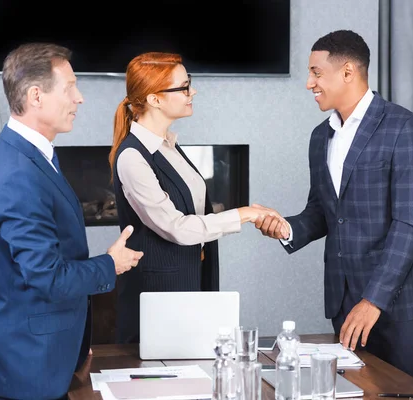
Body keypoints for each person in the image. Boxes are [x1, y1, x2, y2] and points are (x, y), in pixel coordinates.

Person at [253, 30, 413, 386]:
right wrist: (286, 227)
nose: (309, 83)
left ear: (348, 72)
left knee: (408, 394)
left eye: (316, 72)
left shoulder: (405, 128)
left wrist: (372, 301)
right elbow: (323, 211)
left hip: (401, 305)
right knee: (351, 393)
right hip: (344, 303)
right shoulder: (319, 137)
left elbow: (410, 227)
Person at [0, 42, 144, 400]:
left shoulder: (30, 155)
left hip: (45, 356)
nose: (79, 98)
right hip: (28, 367)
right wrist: (111, 265)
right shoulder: (19, 172)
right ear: (36, 95)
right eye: (70, 87)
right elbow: (47, 277)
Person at [110, 52, 284, 343]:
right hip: (159, 294)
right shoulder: (132, 157)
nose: (193, 92)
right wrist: (244, 214)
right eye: (183, 87)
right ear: (154, 99)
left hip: (191, 279)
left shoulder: (169, 146)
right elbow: (175, 226)